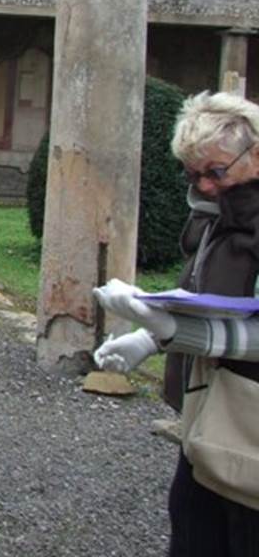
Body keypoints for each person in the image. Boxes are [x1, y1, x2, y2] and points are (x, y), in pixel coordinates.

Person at [93, 90, 259, 557]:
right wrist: (148, 337)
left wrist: (170, 332)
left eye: (216, 172)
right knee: (192, 533)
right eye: (193, 173)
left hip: (251, 422)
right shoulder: (215, 217)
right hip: (209, 415)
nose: (204, 185)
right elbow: (201, 295)